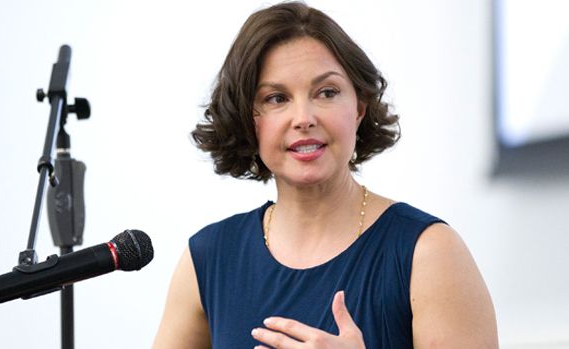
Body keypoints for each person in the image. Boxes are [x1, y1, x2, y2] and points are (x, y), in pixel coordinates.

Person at [153, 2, 498, 348]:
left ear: (359, 107)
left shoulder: (429, 252)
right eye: (276, 98)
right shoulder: (209, 258)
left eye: (327, 93)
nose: (303, 118)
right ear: (246, 118)